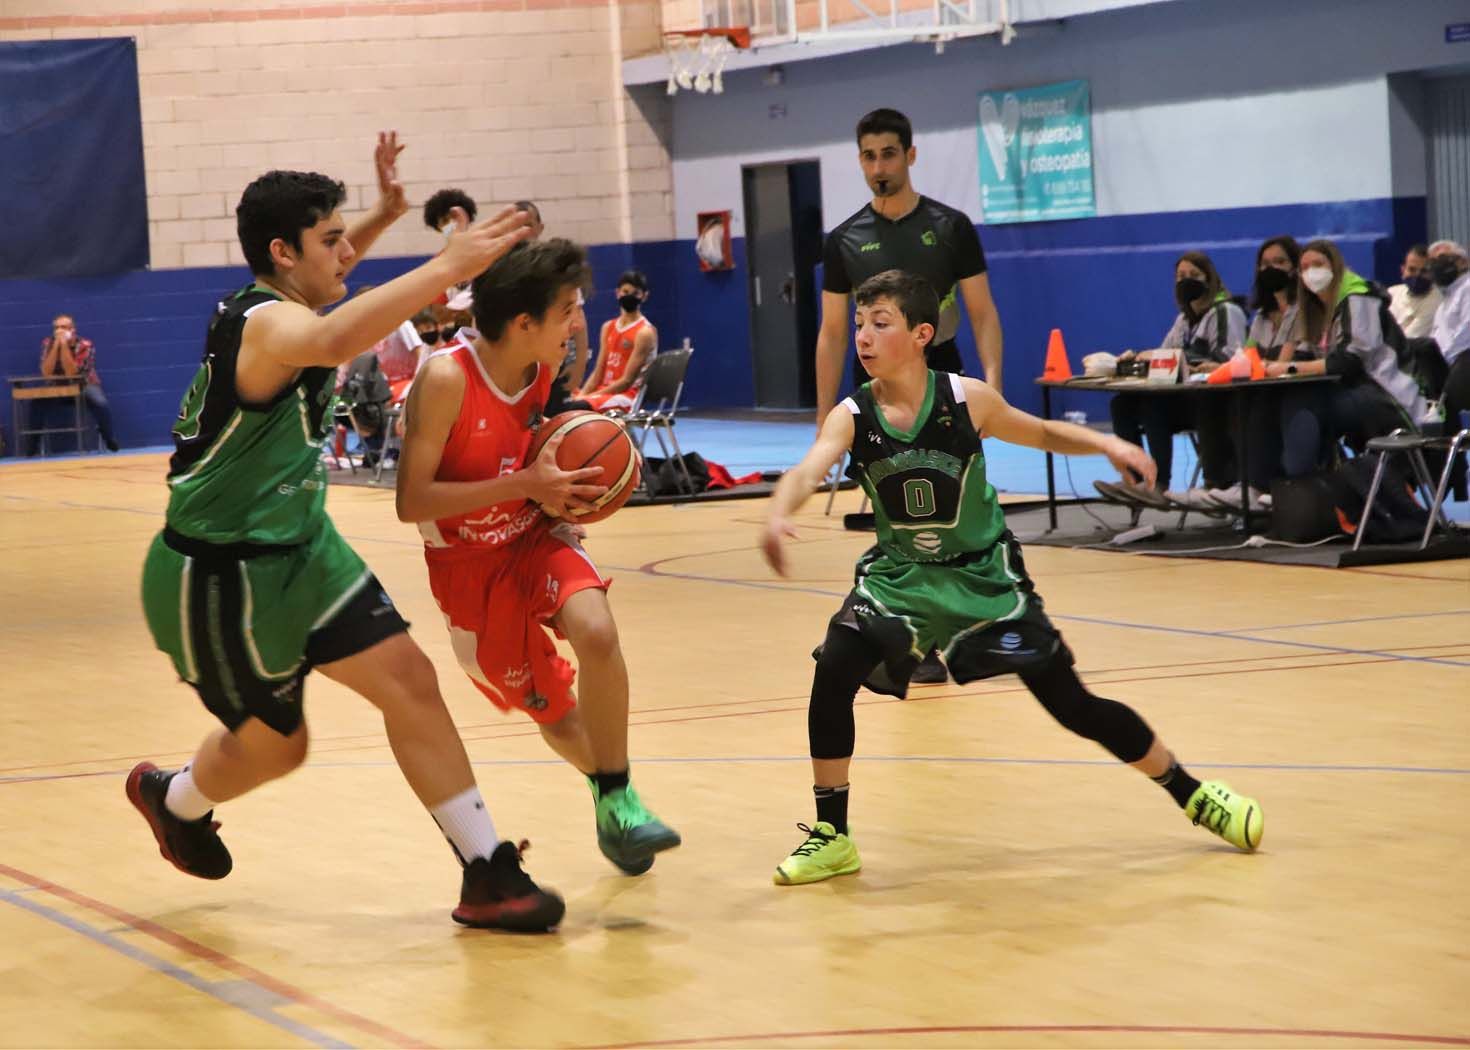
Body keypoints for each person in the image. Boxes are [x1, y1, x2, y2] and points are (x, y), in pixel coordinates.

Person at [129, 133, 565, 933]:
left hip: (303, 549)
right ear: (282, 253)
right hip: (222, 578)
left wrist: (384, 214)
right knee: (278, 749)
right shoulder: (264, 326)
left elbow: (328, 289)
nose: (348, 253)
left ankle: (486, 871)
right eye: (330, 240)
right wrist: (446, 267)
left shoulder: (288, 296)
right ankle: (173, 797)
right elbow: (334, 339)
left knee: (411, 680)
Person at [759, 269, 1263, 885]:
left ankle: (1193, 793)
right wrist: (782, 508)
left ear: (921, 335)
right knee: (835, 665)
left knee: (1071, 704)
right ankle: (832, 835)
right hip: (901, 578)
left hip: (983, 576)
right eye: (859, 324)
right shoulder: (852, 414)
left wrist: (1108, 447)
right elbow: (810, 466)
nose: (862, 337)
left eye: (879, 324)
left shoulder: (966, 400)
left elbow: (1044, 431)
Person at [395, 238, 681, 876]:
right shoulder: (444, 378)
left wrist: (562, 504)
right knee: (554, 711)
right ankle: (611, 797)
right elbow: (411, 501)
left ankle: (619, 799)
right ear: (523, 323)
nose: (578, 323)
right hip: (468, 572)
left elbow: (539, 455)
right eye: (568, 311)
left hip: (530, 537)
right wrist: (524, 487)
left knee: (598, 633)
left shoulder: (543, 370)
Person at [819, 107, 1003, 684]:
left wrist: (992, 387)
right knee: (894, 517)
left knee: (951, 513)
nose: (879, 166)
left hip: (942, 380)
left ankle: (957, 627)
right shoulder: (844, 240)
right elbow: (830, 332)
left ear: (910, 155)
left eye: (889, 154)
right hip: (875, 389)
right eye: (869, 156)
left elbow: (982, 313)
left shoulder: (950, 228)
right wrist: (823, 411)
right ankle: (910, 639)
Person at [1268, 239, 1432, 477]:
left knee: (1305, 402)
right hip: (1354, 391)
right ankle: (1269, 485)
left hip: (1387, 395)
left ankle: (1299, 481)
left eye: (1318, 264)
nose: (1311, 272)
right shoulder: (1319, 309)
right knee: (1279, 400)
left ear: (1335, 267)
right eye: (1304, 267)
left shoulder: (1357, 298)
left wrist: (1290, 368)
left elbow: (1348, 363)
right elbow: (1307, 354)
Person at [1100, 252, 1245, 508]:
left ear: (1209, 278)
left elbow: (1228, 358)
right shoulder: (1183, 319)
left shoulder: (1226, 311)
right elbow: (1165, 355)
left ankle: (1159, 484)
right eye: (1180, 277)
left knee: (1153, 406)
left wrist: (1180, 359)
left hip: (1215, 403)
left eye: (1193, 276)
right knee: (1122, 405)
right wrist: (1139, 358)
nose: (1186, 281)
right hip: (1184, 399)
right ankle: (1136, 480)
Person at [1194, 235, 1303, 512]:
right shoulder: (1262, 317)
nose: (1271, 269)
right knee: (1216, 399)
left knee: (1255, 402)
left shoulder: (1302, 310)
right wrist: (1219, 368)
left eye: (1279, 262)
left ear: (1295, 268)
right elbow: (1248, 357)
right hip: (1265, 385)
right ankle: (1219, 484)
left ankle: (1255, 486)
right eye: (1265, 264)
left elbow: (1284, 361)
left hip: (1297, 389)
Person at [516, 200, 590, 414]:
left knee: (553, 420)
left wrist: (579, 365)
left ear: (540, 227)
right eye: (517, 226)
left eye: (528, 224)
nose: (523, 231)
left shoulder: (556, 268)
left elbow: (579, 318)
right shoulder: (503, 270)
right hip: (517, 364)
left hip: (551, 360)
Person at [32, 313, 120, 453]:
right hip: (57, 385)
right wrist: (56, 347)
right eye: (57, 328)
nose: (59, 331)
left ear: (73, 329)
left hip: (84, 384)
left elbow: (72, 373)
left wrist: (65, 347)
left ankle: (108, 437)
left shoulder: (85, 345)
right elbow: (46, 372)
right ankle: (33, 444)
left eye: (64, 327)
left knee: (100, 402)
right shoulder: (48, 343)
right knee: (36, 403)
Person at [577, 270, 656, 413]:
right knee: (562, 401)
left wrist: (588, 397)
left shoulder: (644, 332)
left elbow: (626, 381)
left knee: (577, 406)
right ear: (617, 292)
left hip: (627, 396)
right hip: (604, 392)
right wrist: (583, 394)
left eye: (635, 293)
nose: (629, 296)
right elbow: (597, 373)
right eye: (625, 291)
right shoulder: (608, 327)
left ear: (644, 296)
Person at [1427, 240, 1470, 426]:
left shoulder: (1468, 288)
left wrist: (1441, 359)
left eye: (1443, 258)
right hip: (1447, 367)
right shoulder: (1445, 300)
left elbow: (1467, 332)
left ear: (1463, 262)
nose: (1437, 265)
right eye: (1433, 261)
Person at [1387, 244, 1442, 340]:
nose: (1417, 275)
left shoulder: (1437, 300)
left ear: (1433, 273)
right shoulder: (1392, 293)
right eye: (1412, 269)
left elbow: (1408, 339)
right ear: (1403, 270)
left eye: (1424, 271)